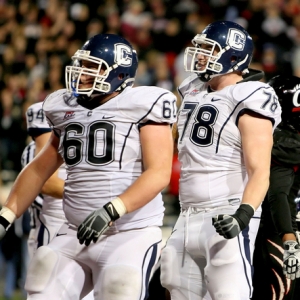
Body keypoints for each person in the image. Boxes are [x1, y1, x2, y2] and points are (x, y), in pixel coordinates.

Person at [0, 33, 177, 299]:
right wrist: (6, 216)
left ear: (118, 73)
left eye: (93, 67)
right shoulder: (65, 107)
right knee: (40, 283)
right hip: (74, 232)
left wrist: (111, 210)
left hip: (129, 233)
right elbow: (38, 170)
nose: (82, 73)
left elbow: (159, 173)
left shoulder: (143, 104)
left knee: (119, 287)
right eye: (82, 65)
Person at [160, 20, 282, 300]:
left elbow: (259, 169)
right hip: (187, 213)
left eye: (209, 49)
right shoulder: (191, 89)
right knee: (174, 284)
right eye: (201, 47)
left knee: (229, 293)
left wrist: (243, 214)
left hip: (226, 210)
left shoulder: (250, 95)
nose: (200, 54)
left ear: (234, 57)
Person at [252, 75, 300, 300]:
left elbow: (281, 193)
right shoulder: (285, 141)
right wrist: (289, 238)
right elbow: (279, 194)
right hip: (279, 232)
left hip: (280, 230)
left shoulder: (278, 138)